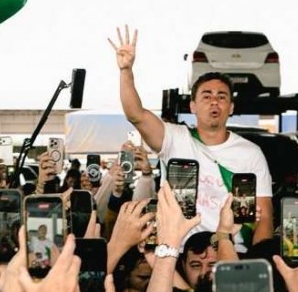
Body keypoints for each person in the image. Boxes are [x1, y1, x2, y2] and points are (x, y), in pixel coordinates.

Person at [110, 26, 274, 240]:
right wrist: (126, 70)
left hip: (231, 250)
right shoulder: (174, 138)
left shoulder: (251, 153)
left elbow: (264, 217)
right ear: (193, 106)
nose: (214, 101)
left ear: (231, 107)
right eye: (206, 96)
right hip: (177, 250)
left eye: (222, 97)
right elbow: (136, 115)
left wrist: (257, 257)